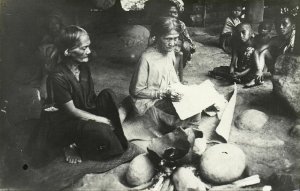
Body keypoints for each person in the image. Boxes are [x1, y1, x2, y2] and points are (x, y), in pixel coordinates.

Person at [31, 25, 128, 165]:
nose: (88, 51)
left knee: (108, 95)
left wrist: (100, 114)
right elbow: (71, 111)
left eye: (88, 46)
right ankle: (70, 145)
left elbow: (89, 98)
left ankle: (100, 135)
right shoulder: (57, 76)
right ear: (67, 51)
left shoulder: (83, 67)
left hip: (82, 110)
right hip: (64, 121)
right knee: (101, 130)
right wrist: (100, 119)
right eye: (83, 48)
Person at [129, 17, 201, 135]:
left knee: (196, 106)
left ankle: (183, 129)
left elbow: (172, 78)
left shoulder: (170, 52)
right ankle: (180, 131)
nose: (172, 43)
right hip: (149, 102)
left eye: (175, 38)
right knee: (177, 120)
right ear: (157, 37)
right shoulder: (146, 58)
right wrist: (162, 94)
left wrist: (182, 90)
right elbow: (135, 91)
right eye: (168, 39)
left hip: (166, 96)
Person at [253, 14, 296, 83]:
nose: (281, 27)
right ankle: (259, 75)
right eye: (279, 24)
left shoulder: (296, 41)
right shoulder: (275, 40)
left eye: (284, 24)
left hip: (292, 72)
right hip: (277, 70)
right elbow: (257, 51)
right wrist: (259, 69)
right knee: (264, 52)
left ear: (293, 26)